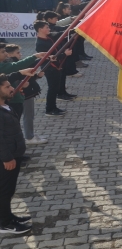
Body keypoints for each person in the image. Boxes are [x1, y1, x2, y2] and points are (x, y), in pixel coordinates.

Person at [0, 74, 34, 235]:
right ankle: (4, 224)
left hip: (14, 155)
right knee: (4, 191)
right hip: (7, 159)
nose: (11, 88)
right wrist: (6, 157)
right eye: (6, 87)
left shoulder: (5, 106)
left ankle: (8, 216)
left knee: (9, 190)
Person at [3, 45, 46, 145]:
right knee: (27, 116)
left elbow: (27, 71)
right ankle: (29, 137)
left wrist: (37, 76)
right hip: (23, 95)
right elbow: (15, 76)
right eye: (17, 52)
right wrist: (38, 57)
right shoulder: (11, 65)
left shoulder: (13, 63)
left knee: (28, 115)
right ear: (9, 54)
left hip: (25, 94)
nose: (20, 54)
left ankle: (27, 136)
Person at [33, 21, 73, 116]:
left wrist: (74, 27)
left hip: (56, 66)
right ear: (40, 29)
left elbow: (62, 32)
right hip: (50, 68)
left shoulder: (49, 37)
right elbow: (49, 57)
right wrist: (64, 54)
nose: (49, 29)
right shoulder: (40, 43)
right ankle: (50, 109)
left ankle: (54, 107)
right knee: (52, 89)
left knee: (55, 88)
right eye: (46, 27)